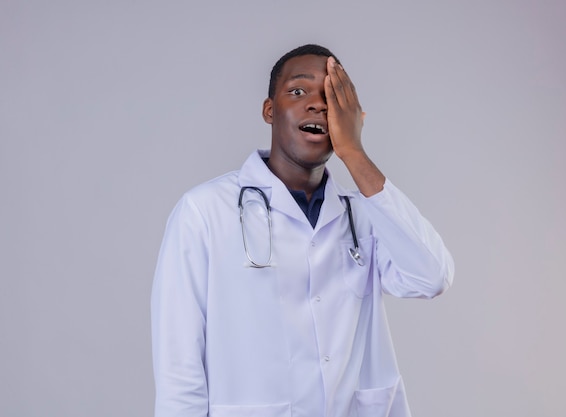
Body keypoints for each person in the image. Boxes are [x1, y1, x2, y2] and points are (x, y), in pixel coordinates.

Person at [151, 44, 454, 417]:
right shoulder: (203, 212)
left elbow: (431, 276)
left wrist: (355, 155)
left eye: (330, 96)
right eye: (298, 91)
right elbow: (179, 369)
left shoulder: (363, 214)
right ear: (269, 110)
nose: (317, 104)